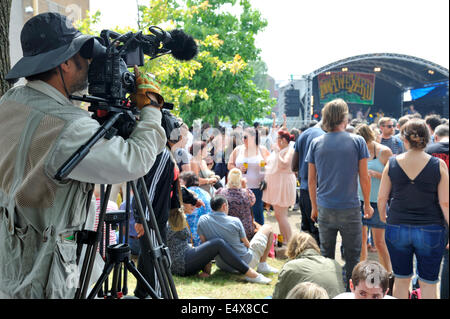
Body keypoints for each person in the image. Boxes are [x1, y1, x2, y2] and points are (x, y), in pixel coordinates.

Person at [0, 12, 166, 299]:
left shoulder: (9, 102)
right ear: (65, 63)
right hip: (44, 272)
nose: (89, 64)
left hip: (10, 255)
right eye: (82, 56)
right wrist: (151, 109)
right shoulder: (68, 127)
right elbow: (136, 159)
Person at [306, 98, 373, 290]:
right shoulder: (357, 141)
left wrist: (314, 206)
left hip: (325, 207)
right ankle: (349, 291)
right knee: (352, 255)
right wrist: (367, 204)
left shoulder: (316, 142)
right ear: (344, 117)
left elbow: (311, 180)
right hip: (350, 207)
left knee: (326, 254)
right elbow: (364, 177)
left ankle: (328, 290)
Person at [378, 119, 449, 299]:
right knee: (429, 282)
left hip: (397, 226)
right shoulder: (438, 165)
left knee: (401, 280)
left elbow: (382, 198)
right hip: (431, 228)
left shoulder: (392, 163)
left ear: (405, 139)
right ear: (427, 138)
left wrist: (383, 216)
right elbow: (445, 202)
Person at [167, 185, 271, 284]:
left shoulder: (174, 217)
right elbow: (180, 191)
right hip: (181, 263)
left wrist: (206, 272)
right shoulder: (173, 219)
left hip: (181, 260)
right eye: (191, 203)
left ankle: (250, 273)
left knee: (215, 243)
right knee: (218, 243)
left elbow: (180, 191)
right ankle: (252, 274)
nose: (194, 206)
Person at [197, 195, 278, 277]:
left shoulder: (203, 220)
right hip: (245, 264)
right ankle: (262, 265)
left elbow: (205, 246)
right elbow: (247, 244)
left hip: (222, 265)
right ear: (224, 206)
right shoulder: (235, 221)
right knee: (268, 228)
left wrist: (207, 271)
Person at [355, 124, 393, 274]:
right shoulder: (358, 150)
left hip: (378, 201)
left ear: (370, 138)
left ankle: (389, 274)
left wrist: (377, 174)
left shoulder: (384, 152)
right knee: (362, 239)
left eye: (365, 143)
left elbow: (393, 175)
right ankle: (362, 274)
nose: (363, 146)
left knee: (379, 242)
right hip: (360, 199)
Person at [272, 232, 345, 299]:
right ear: (315, 246)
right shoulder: (335, 264)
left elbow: (278, 296)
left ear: (292, 248)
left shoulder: (291, 267)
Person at [228, 127, 270, 225]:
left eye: (246, 137)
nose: (243, 139)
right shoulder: (238, 149)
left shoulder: (262, 149)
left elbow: (268, 166)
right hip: (239, 187)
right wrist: (238, 169)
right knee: (240, 212)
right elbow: (229, 165)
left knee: (257, 212)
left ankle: (259, 236)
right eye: (243, 137)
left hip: (257, 187)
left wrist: (262, 167)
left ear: (253, 137)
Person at [292, 121, 325, 245]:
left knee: (306, 230)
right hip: (319, 191)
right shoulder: (325, 136)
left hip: (305, 190)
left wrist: (301, 173)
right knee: (318, 234)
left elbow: (293, 166)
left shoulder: (303, 135)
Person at [262, 130, 297, 244]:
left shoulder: (290, 151)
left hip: (284, 184)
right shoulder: (279, 151)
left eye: (278, 139)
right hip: (277, 184)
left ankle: (289, 241)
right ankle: (285, 240)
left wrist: (277, 153)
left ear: (283, 140)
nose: (276, 141)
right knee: (279, 215)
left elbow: (284, 164)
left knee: (281, 215)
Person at [215, 168, 257, 240]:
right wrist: (244, 187)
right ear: (241, 180)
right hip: (245, 232)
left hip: (225, 231)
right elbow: (252, 202)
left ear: (228, 179)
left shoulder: (220, 192)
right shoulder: (247, 193)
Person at [179, 171, 212, 247]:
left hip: (191, 240)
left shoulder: (186, 195)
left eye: (180, 181)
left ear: (185, 181)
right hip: (207, 237)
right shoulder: (206, 193)